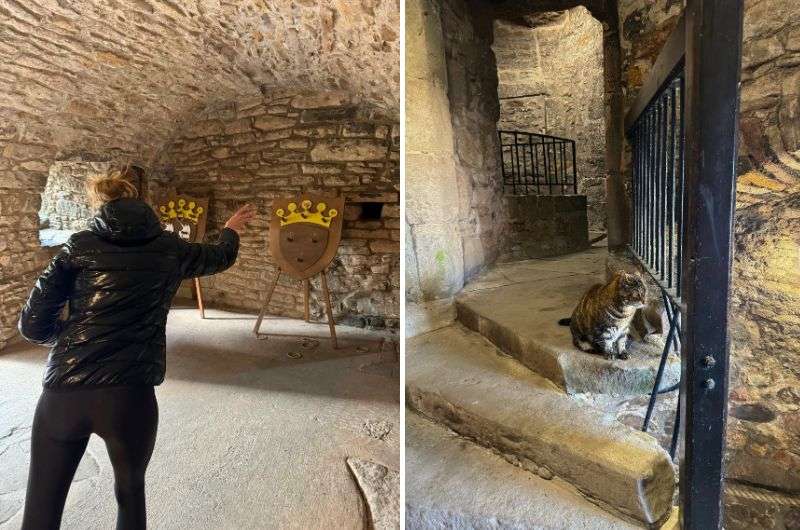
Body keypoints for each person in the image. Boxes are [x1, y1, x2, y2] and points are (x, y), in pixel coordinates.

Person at [17, 171, 255, 530]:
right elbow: (220, 256)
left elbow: (33, 325)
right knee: (130, 495)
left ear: (101, 206)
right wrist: (231, 229)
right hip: (130, 394)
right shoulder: (170, 249)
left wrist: (67, 340)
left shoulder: (79, 246)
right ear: (145, 210)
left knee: (41, 509)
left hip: (65, 390)